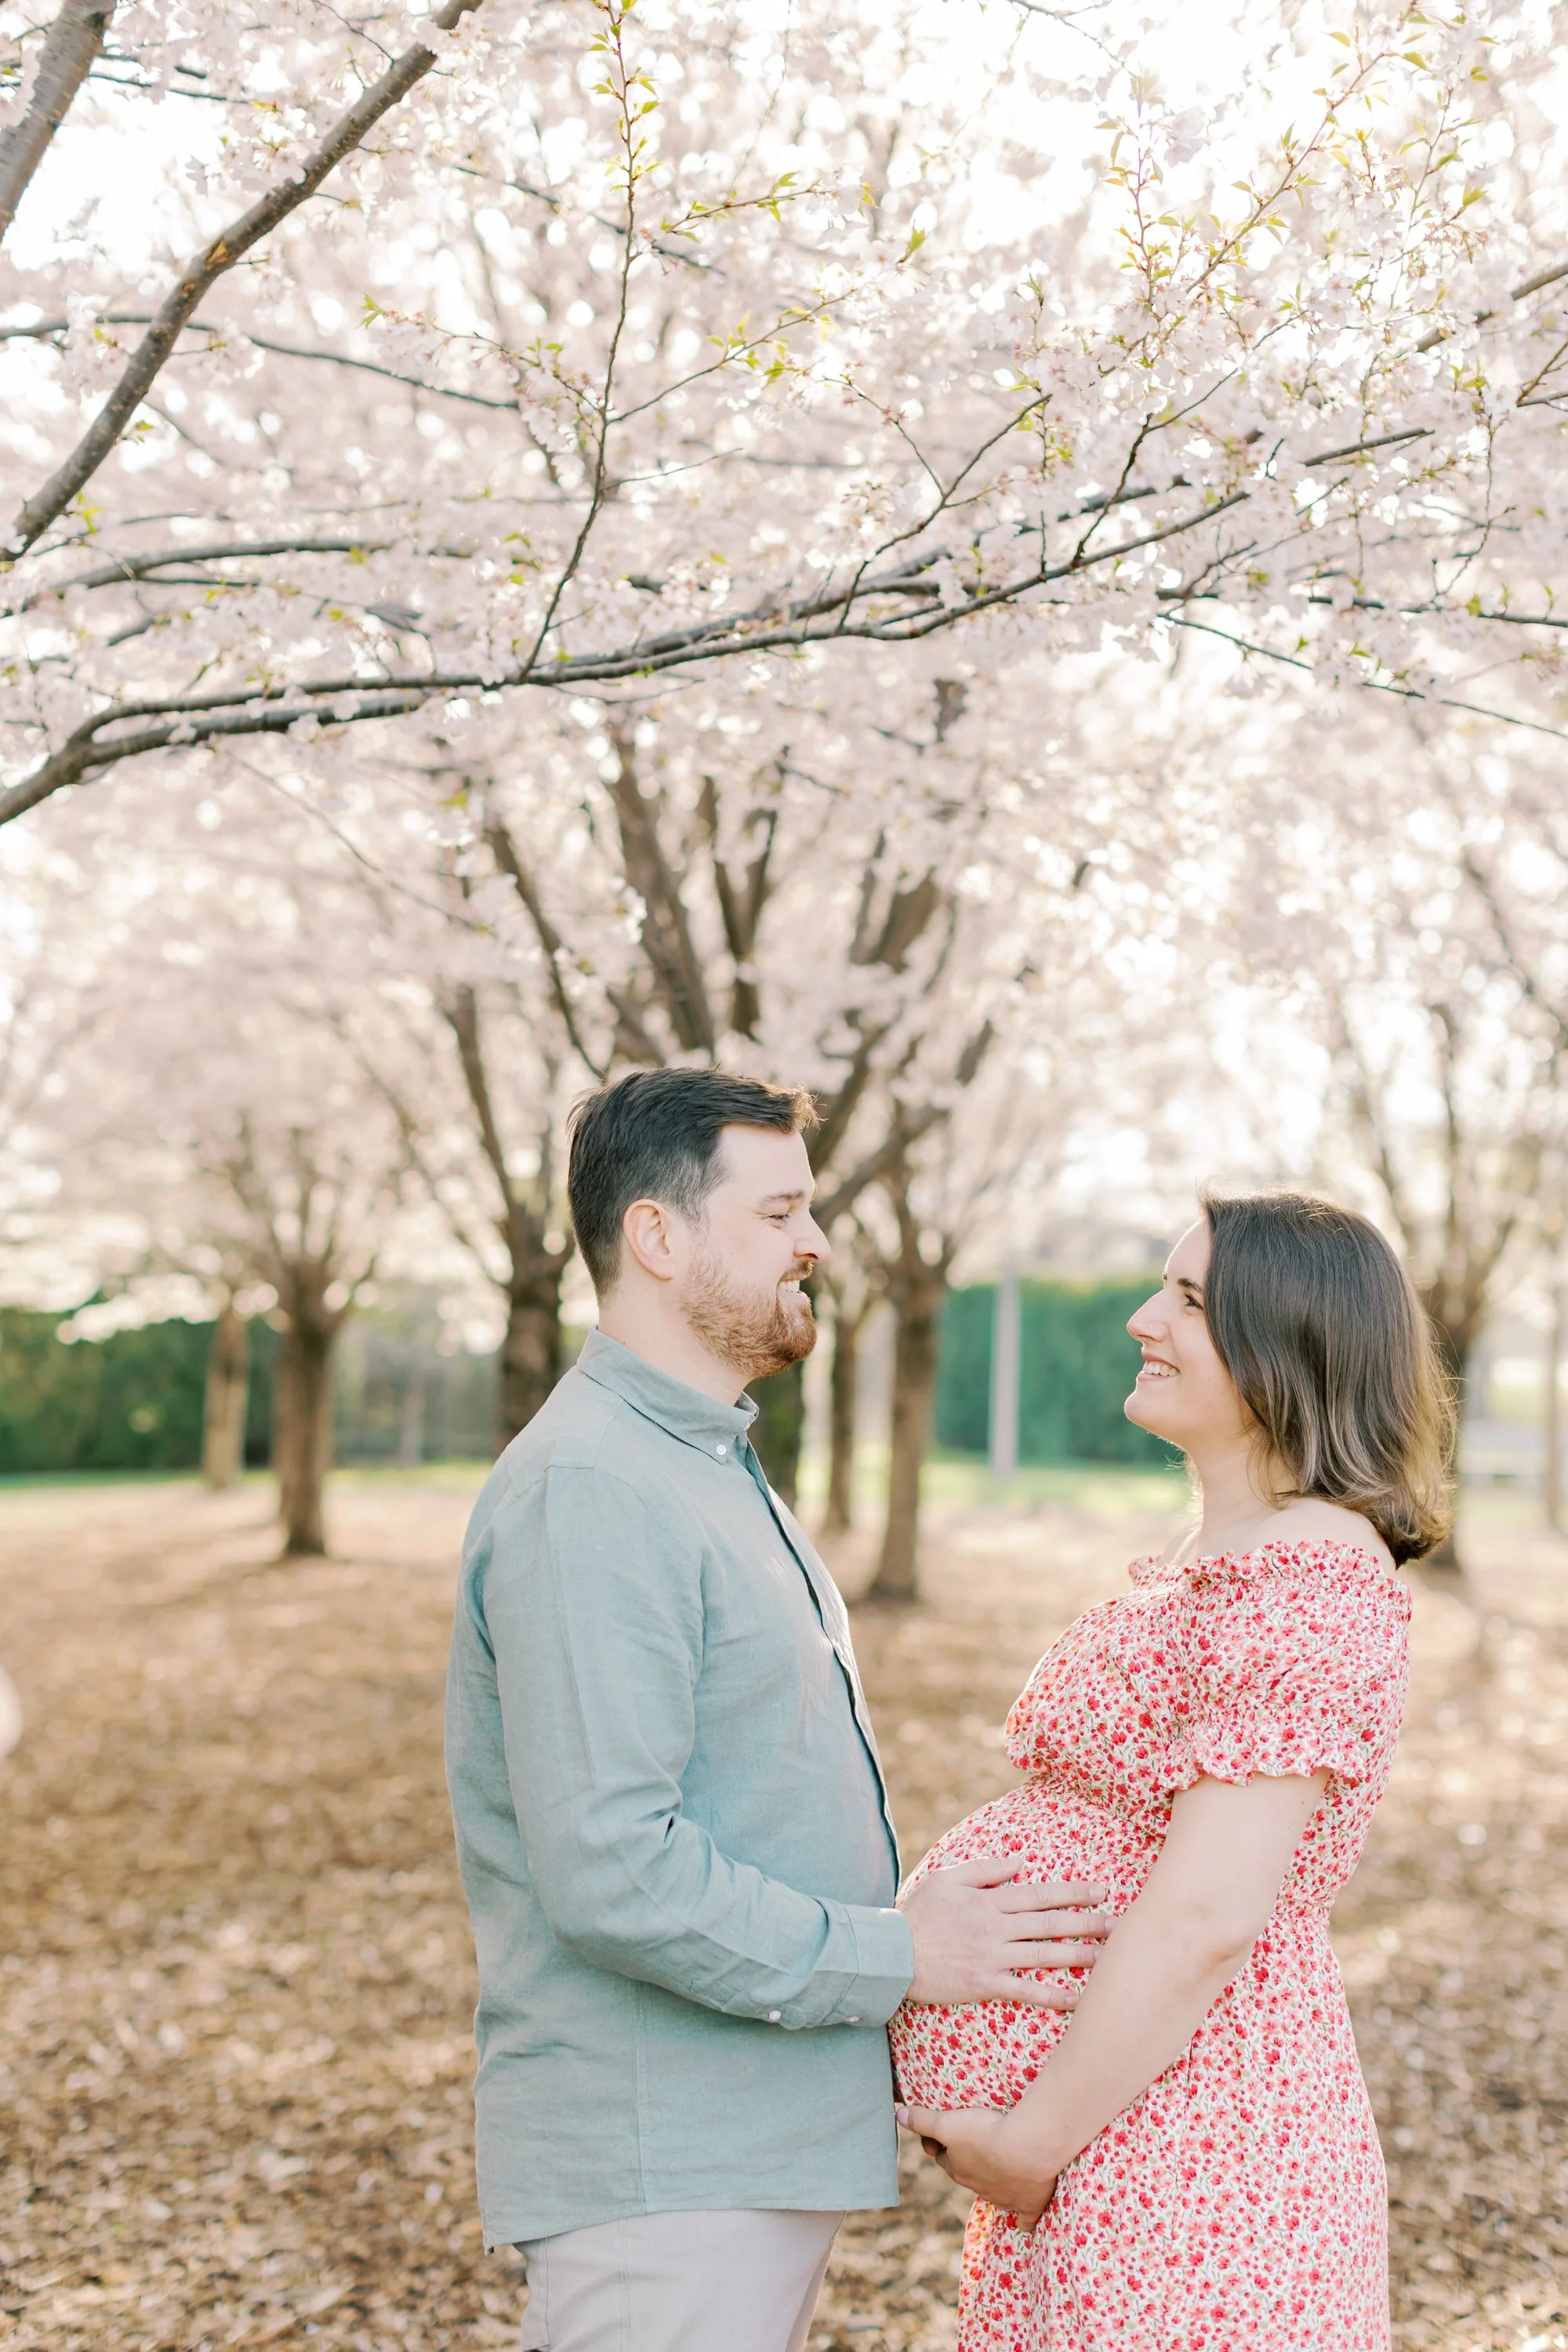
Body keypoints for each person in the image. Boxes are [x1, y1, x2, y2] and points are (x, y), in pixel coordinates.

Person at [445, 1067, 1108, 2352]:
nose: (815, 1242)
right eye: (779, 1212)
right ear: (658, 1235)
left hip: (741, 2153)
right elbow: (611, 1869)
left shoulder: (696, 1459)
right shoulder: (592, 1487)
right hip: (666, 2168)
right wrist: (899, 1953)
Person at [893, 1189, 1454, 2352]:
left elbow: (1208, 1911)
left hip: (1195, 2153)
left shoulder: (1310, 1576)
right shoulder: (1231, 1556)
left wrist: (1029, 2144)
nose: (1145, 1318)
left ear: (1290, 1347)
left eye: (1190, 1300)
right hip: (1129, 2135)